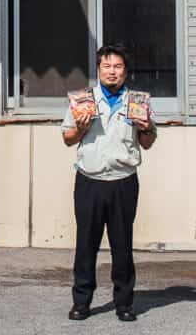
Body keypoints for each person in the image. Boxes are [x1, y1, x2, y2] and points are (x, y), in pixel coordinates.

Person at [61, 44, 157, 322]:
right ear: (99, 69)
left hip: (123, 181)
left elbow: (148, 144)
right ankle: (81, 302)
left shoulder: (137, 101)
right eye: (107, 66)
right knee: (85, 244)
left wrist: (145, 127)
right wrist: (80, 127)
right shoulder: (83, 100)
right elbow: (67, 139)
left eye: (117, 66)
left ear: (125, 71)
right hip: (89, 180)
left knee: (122, 245)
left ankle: (124, 303)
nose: (112, 71)